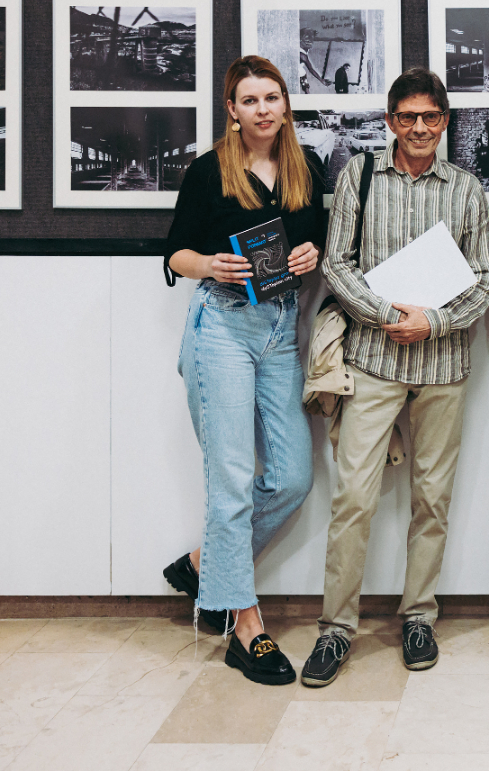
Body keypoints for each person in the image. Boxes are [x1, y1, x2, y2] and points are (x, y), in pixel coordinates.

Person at [301, 68, 489, 686]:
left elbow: (484, 278)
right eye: (406, 117)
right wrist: (389, 317)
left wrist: (433, 321)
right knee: (353, 497)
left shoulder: (465, 189)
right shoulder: (358, 176)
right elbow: (337, 263)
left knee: (431, 499)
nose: (418, 128)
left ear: (444, 123)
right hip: (374, 361)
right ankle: (336, 630)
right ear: (389, 121)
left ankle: (419, 617)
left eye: (430, 118)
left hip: (442, 366)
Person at [161, 54, 326, 686]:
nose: (262, 109)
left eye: (272, 97)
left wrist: (311, 252)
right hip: (221, 328)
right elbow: (174, 251)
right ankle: (244, 626)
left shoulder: (304, 166)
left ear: (286, 104)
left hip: (282, 327)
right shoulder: (209, 170)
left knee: (290, 476)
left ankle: (206, 563)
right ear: (232, 110)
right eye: (249, 100)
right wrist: (208, 265)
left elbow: (313, 240)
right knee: (230, 481)